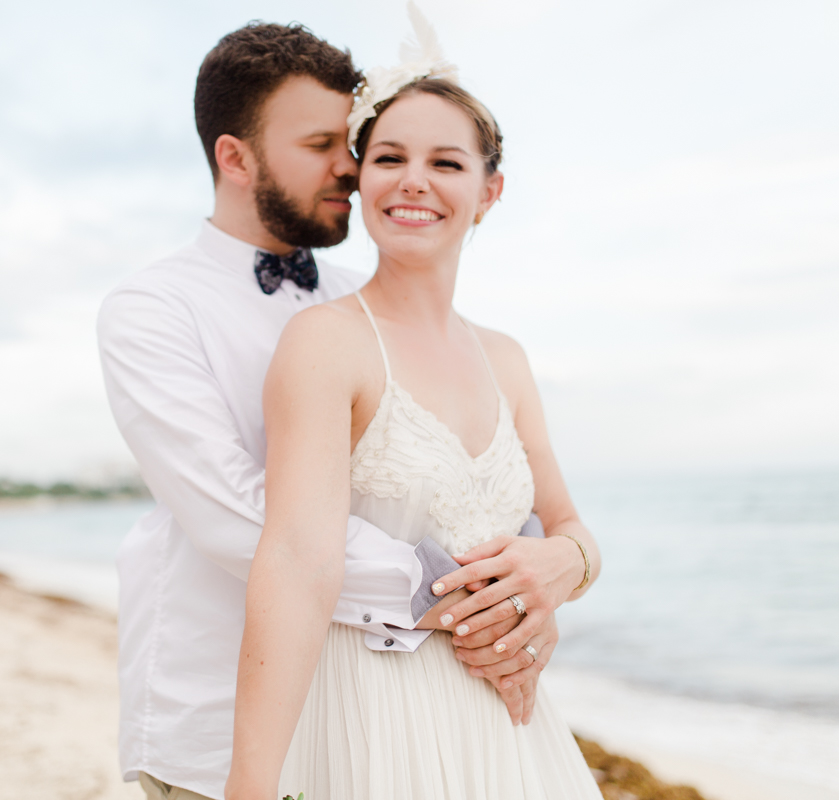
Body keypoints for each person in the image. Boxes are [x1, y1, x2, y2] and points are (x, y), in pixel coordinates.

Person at [98, 21, 560, 800]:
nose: (351, 168)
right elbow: (239, 517)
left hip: (381, 708)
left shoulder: (365, 300)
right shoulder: (152, 310)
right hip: (212, 716)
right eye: (322, 146)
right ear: (235, 157)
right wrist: (455, 592)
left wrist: (538, 577)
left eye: (351, 143)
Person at [224, 10, 603, 800]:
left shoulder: (507, 358)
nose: (414, 181)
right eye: (389, 157)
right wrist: (250, 785)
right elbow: (296, 561)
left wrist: (562, 568)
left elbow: (567, 526)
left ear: (489, 191)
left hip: (508, 728)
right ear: (361, 179)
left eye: (446, 162)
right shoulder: (325, 342)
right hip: (374, 717)